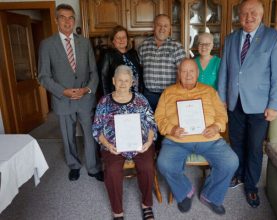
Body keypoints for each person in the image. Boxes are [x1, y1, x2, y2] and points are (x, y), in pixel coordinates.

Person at [218, 0, 277, 208]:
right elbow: (225, 70)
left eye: (253, 13)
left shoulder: (274, 38)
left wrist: (274, 104)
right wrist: (222, 97)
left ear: (261, 14)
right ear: (238, 15)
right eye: (244, 13)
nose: (248, 17)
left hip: (260, 105)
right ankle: (238, 174)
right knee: (236, 143)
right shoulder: (230, 38)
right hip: (234, 102)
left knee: (255, 147)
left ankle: (251, 186)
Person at [155, 58, 239, 215]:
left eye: (191, 71)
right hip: (177, 140)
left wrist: (216, 127)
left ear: (197, 73)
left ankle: (210, 196)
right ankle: (185, 191)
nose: (188, 75)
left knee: (231, 162)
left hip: (208, 138)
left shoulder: (209, 91)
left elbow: (222, 114)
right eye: (184, 71)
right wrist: (171, 129)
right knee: (164, 164)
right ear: (179, 73)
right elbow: (159, 118)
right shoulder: (168, 92)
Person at [38, 4, 103, 182]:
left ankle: (93, 167)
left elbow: (94, 73)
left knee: (90, 136)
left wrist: (87, 89)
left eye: (71, 17)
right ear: (56, 20)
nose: (67, 21)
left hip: (84, 99)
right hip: (63, 100)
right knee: (68, 137)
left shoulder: (84, 42)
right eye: (63, 17)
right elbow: (43, 76)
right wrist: (63, 91)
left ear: (74, 20)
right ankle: (74, 165)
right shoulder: (47, 45)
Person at [92, 65, 157, 220]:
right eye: (120, 80)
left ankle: (146, 204)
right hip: (113, 146)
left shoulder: (141, 99)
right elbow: (96, 129)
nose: (123, 83)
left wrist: (148, 141)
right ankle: (117, 211)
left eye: (126, 80)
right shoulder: (104, 102)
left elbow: (151, 123)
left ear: (132, 82)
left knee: (147, 167)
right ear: (114, 81)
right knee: (112, 171)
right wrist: (107, 145)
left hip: (140, 144)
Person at [138, 14, 186, 111]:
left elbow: (182, 71)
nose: (162, 29)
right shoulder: (144, 45)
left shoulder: (176, 46)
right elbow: (141, 66)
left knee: (167, 124)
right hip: (148, 95)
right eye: (159, 25)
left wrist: (176, 93)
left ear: (170, 28)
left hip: (169, 94)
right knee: (150, 123)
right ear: (154, 27)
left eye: (165, 26)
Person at [98, 25, 143, 97]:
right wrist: (107, 99)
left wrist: (140, 94)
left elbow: (140, 75)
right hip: (117, 97)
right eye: (118, 37)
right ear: (113, 40)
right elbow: (103, 80)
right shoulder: (107, 55)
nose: (121, 40)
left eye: (124, 37)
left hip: (136, 96)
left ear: (127, 39)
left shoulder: (133, 53)